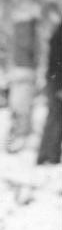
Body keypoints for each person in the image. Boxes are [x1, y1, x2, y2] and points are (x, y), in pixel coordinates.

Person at [37, 14, 62, 165]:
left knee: (55, 117)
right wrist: (59, 86)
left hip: (55, 81)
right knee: (55, 118)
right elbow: (57, 62)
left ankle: (51, 156)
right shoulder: (59, 35)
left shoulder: (58, 33)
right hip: (56, 83)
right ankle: (47, 157)